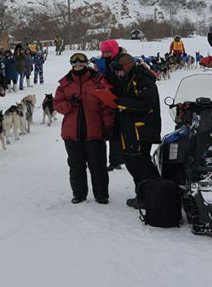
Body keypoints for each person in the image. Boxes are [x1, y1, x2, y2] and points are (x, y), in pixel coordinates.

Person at [53, 52, 115, 204]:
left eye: (81, 65)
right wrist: (70, 104)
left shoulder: (98, 82)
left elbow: (107, 107)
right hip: (72, 133)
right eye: (75, 66)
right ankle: (79, 194)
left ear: (86, 65)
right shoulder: (65, 84)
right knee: (76, 166)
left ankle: (101, 195)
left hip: (94, 131)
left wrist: (108, 126)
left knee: (98, 165)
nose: (78, 68)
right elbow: (57, 106)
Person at [109, 53, 161, 209]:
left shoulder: (143, 79)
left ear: (126, 67)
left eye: (119, 71)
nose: (118, 75)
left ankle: (156, 196)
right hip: (129, 130)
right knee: (132, 163)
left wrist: (120, 103)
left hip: (141, 130)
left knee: (142, 165)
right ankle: (143, 195)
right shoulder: (128, 80)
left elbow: (146, 103)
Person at [98, 39, 125, 172]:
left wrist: (105, 72)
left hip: (120, 100)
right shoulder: (103, 61)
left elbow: (120, 81)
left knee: (117, 131)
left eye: (108, 52)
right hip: (106, 99)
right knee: (107, 130)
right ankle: (112, 159)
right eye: (104, 52)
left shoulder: (122, 61)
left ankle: (116, 160)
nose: (106, 54)